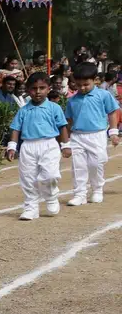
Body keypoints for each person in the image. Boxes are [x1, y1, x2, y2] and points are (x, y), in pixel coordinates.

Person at [5, 73, 70, 221]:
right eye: (34, 88)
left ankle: (51, 197)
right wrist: (12, 147)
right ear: (28, 90)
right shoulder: (23, 110)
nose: (38, 92)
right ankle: (31, 207)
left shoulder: (54, 108)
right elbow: (16, 129)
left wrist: (65, 145)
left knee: (50, 174)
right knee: (28, 177)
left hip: (49, 144)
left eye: (42, 88)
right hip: (28, 146)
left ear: (49, 89)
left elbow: (62, 127)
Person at [64, 62, 120, 206]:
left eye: (86, 84)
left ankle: (97, 190)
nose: (82, 88)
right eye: (78, 85)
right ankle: (79, 194)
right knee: (78, 166)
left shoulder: (104, 95)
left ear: (95, 80)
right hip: (77, 136)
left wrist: (113, 132)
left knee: (96, 163)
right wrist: (66, 141)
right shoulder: (72, 100)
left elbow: (113, 112)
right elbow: (69, 120)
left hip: (97, 134)